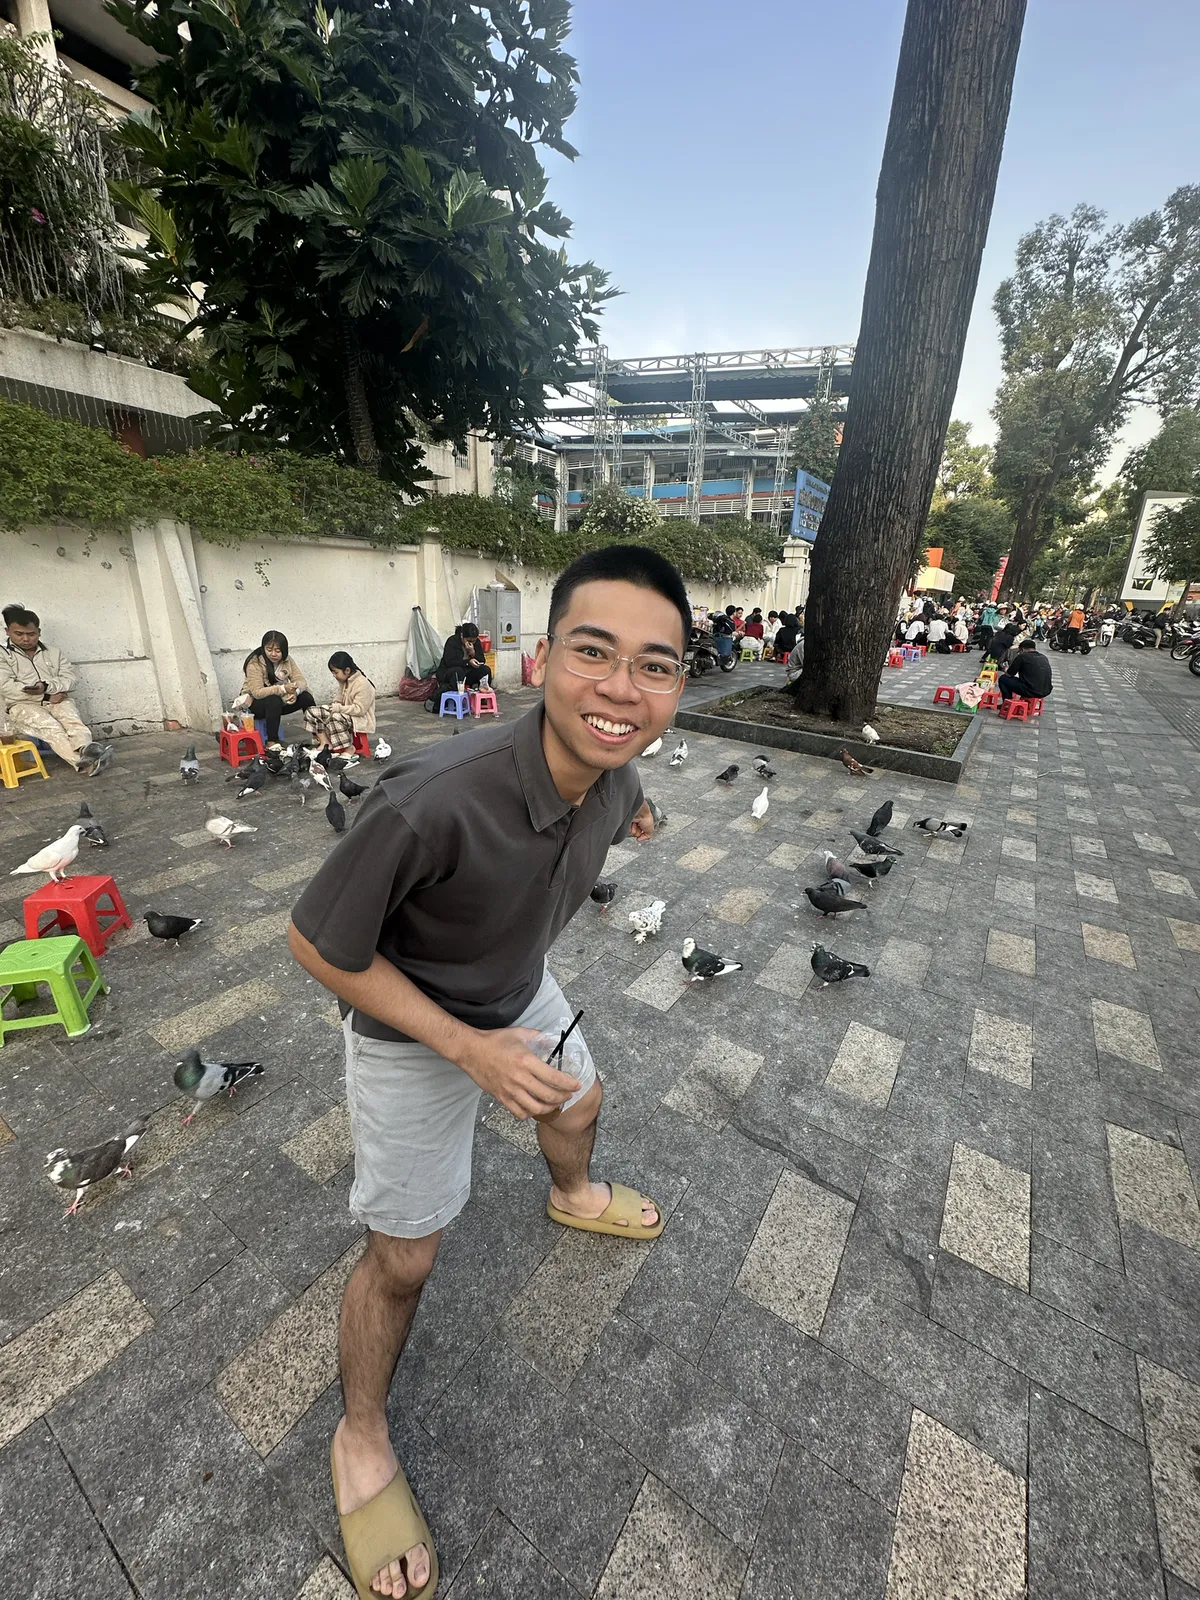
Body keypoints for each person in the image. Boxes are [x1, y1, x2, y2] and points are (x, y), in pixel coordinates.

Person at [288, 544, 680, 1600]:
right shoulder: (431, 800)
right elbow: (317, 943)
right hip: (413, 1029)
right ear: (540, 658)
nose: (621, 688)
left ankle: (575, 1193)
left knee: (584, 1098)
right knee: (405, 1260)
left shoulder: (618, 768)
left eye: (656, 665)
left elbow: (623, 802)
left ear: (678, 686)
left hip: (517, 990)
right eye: (594, 653)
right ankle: (360, 1435)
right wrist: (466, 1049)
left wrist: (636, 813)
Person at [0, 605, 112, 775]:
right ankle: (85, 763)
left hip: (57, 699)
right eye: (19, 634)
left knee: (72, 720)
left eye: (31, 634)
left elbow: (70, 680)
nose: (26, 639)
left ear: (39, 631)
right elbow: (6, 687)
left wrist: (47, 687)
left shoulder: (54, 653)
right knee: (52, 728)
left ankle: (85, 750)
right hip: (22, 706)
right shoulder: (2, 654)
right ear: (7, 631)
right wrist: (44, 696)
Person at [240, 630, 316, 748]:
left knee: (306, 696)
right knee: (273, 700)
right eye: (269, 650)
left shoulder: (287, 660)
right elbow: (257, 692)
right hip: (256, 704)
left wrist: (295, 692)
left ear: (284, 651)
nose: (273, 654)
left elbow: (300, 680)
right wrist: (283, 689)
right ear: (264, 648)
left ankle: (318, 735)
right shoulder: (254, 663)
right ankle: (272, 742)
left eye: (278, 651)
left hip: (281, 701)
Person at [305, 652, 376, 756]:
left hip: (359, 719)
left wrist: (337, 708)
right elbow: (340, 697)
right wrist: (333, 705)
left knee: (335, 716)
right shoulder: (345, 680)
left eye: (335, 672)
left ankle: (348, 748)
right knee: (312, 711)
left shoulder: (363, 684)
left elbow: (359, 710)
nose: (334, 675)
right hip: (346, 714)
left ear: (347, 670)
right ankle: (325, 743)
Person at [435, 622, 489, 699]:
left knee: (485, 670)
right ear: (462, 636)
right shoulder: (452, 641)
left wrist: (473, 653)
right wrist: (468, 662)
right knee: (458, 671)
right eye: (469, 640)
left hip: (467, 673)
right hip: (449, 672)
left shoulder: (476, 642)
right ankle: (455, 699)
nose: (471, 643)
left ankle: (482, 697)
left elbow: (482, 660)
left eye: (474, 641)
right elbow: (449, 662)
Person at [998, 638, 1052, 703]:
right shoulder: (1043, 657)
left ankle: (1007, 703)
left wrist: (1005, 669)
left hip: (1031, 690)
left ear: (1022, 650)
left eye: (1019, 652)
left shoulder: (1022, 657)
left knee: (1003, 679)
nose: (1018, 654)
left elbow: (1009, 674)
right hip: (1046, 690)